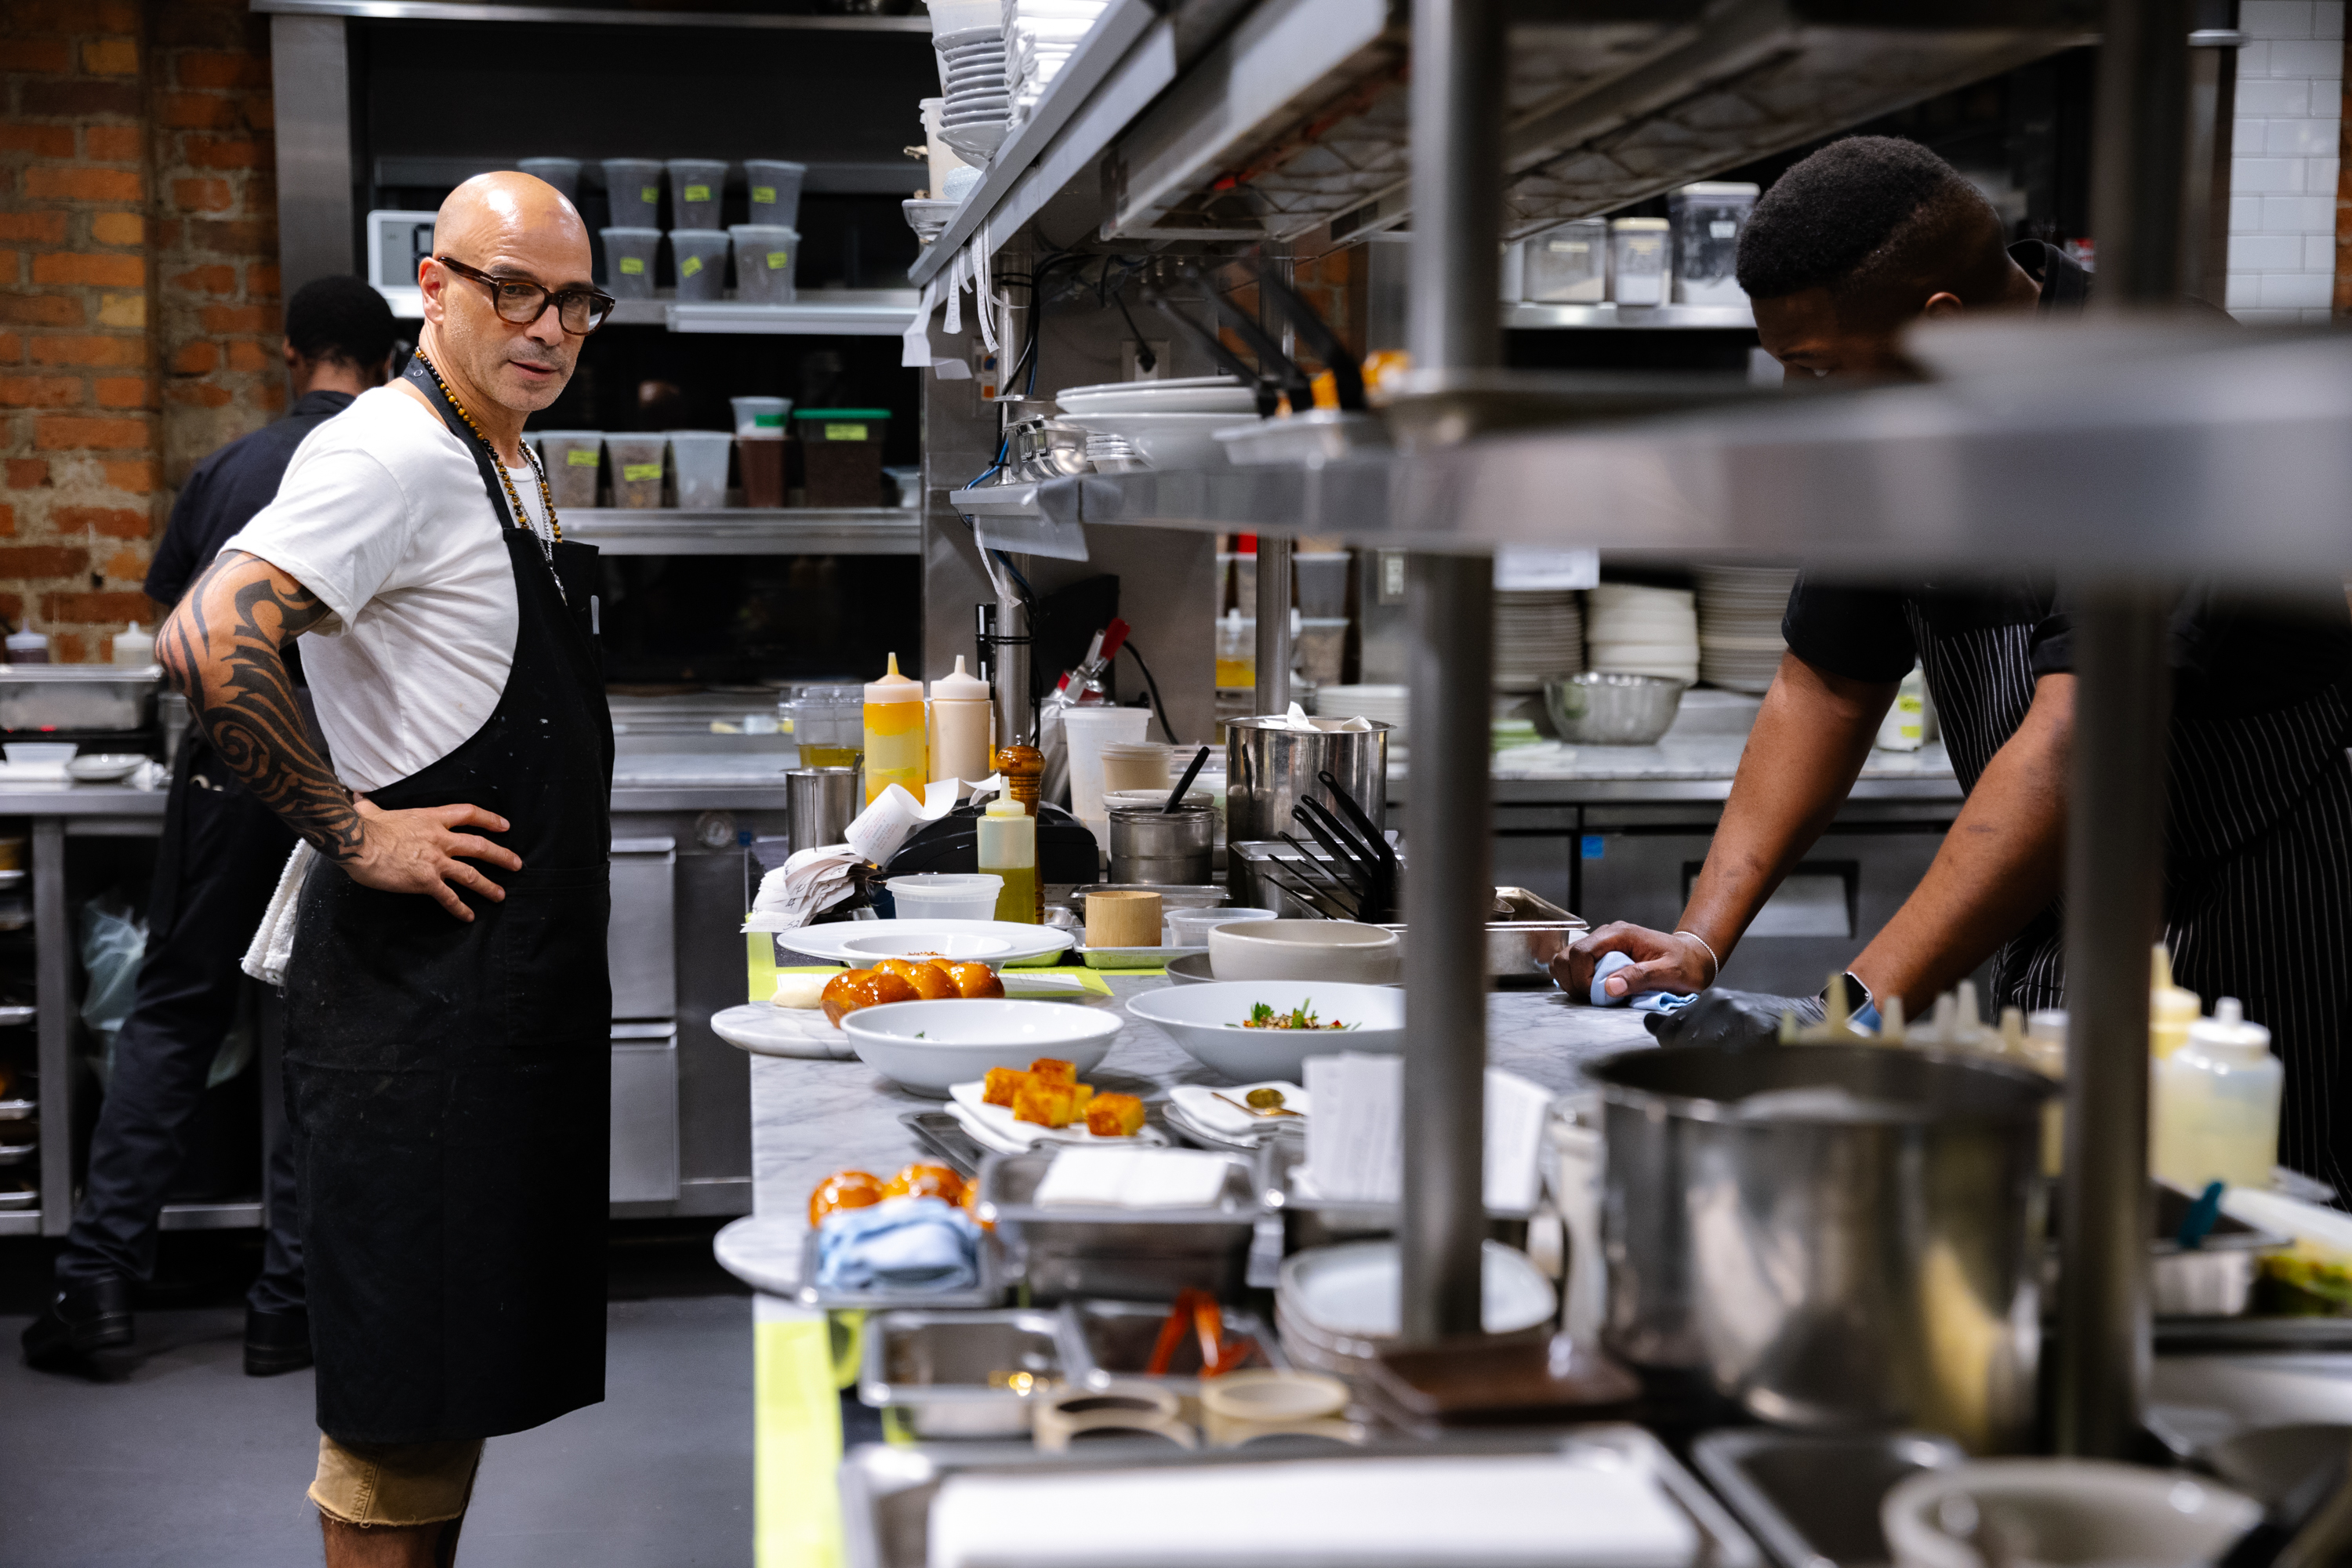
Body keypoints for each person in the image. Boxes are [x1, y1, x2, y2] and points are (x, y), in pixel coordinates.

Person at [1559, 136, 2352, 1192]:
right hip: (2054, 900)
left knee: (2244, 1268)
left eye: (1818, 369)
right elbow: (1824, 683)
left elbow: (2076, 741)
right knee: (2050, 1235)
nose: (1808, 401)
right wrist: (1700, 941)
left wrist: (1848, 1012)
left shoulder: (2164, 392)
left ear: (1941, 328)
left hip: (2252, 924)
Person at [155, 171, 615, 1566]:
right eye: (512, 290)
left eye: (575, 301)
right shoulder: (393, 449)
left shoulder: (504, 452)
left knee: (442, 1412)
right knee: (394, 1435)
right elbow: (207, 634)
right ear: (435, 284)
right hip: (419, 1019)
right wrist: (355, 829)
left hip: (489, 1004)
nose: (548, 326)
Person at [21, 276, 398, 1380]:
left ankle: (95, 1288)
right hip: (356, 779)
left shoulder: (230, 469)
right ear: (384, 360)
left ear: (291, 354)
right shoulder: (393, 461)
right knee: (318, 1030)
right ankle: (287, 1305)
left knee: (177, 1011)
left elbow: (184, 629)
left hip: (235, 775)